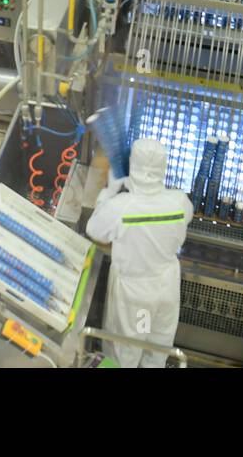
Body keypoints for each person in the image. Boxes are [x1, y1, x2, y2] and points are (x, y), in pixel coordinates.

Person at [85, 138, 192, 367]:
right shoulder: (180, 202)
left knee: (125, 354)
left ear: (132, 166)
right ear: (163, 168)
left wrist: (109, 192)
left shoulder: (121, 207)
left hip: (136, 299)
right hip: (166, 292)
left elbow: (94, 230)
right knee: (155, 351)